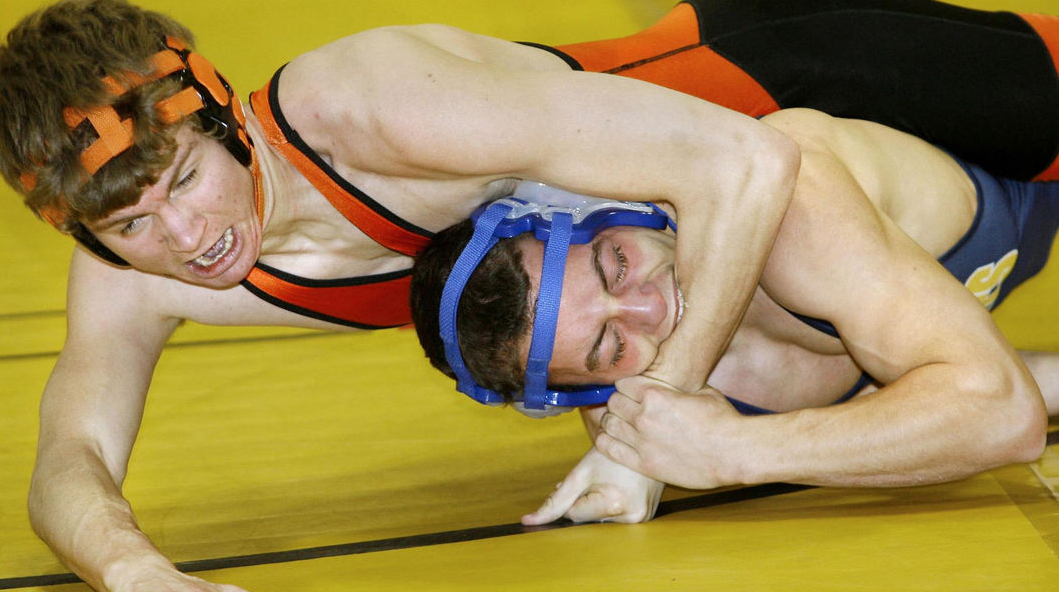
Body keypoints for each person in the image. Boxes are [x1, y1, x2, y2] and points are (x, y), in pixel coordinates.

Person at [0, 0, 1059, 592]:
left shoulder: (360, 104)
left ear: (219, 113)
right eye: (131, 227)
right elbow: (68, 453)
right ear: (84, 230)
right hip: (769, 252)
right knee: (742, 381)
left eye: (182, 182)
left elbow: (738, 161)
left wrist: (655, 427)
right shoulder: (133, 265)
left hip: (780, 75)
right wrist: (128, 566)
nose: (183, 239)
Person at [410, 107, 1058, 525]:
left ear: (610, 207)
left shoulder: (792, 216)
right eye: (611, 347)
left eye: (616, 264)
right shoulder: (629, 409)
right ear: (591, 388)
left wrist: (738, 450)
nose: (650, 306)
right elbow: (968, 379)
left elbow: (1001, 411)